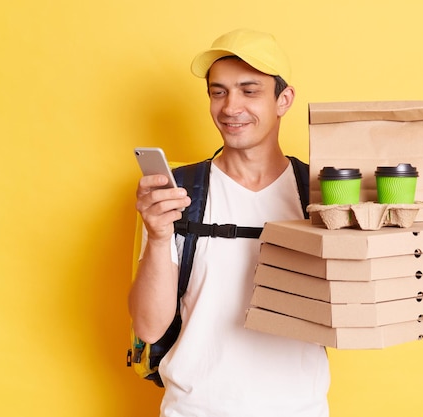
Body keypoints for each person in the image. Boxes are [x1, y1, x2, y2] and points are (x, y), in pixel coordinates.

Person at [129, 28, 330, 417]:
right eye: (218, 92)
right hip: (194, 409)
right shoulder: (180, 193)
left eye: (249, 91)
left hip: (300, 409)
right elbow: (148, 328)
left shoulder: (319, 196)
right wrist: (157, 236)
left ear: (283, 99)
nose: (230, 107)